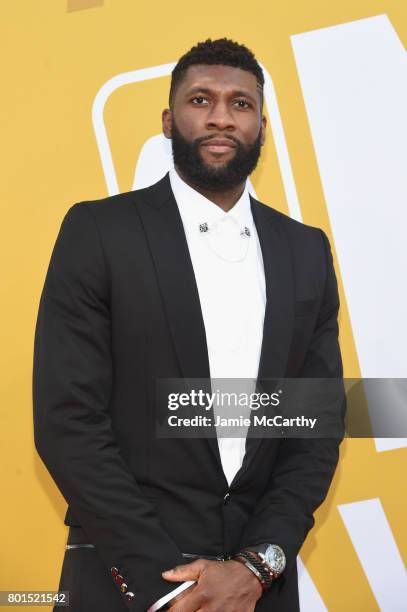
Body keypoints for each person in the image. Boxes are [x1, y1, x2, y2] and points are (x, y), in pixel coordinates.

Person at [33, 38, 344, 612]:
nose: (221, 116)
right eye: (201, 99)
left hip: (258, 592)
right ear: (169, 120)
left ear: (263, 125)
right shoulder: (99, 232)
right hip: (123, 582)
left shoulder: (305, 251)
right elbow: (68, 422)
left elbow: (316, 428)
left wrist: (255, 568)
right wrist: (169, 585)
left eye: (241, 103)